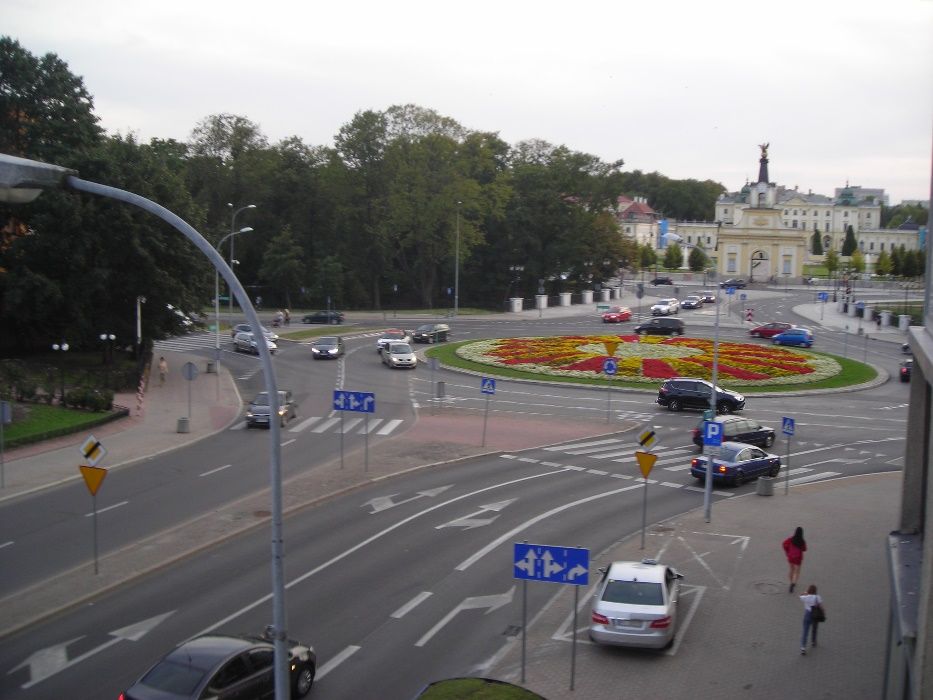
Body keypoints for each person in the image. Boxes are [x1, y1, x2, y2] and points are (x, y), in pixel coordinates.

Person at [799, 584, 824, 654]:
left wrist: (804, 592)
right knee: (814, 628)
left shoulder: (806, 597)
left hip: (807, 614)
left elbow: (800, 596)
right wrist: (823, 612)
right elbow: (820, 606)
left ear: (809, 590)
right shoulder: (817, 597)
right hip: (815, 614)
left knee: (805, 631)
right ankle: (813, 641)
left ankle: (803, 647)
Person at [782, 526, 807, 593]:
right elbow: (804, 549)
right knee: (797, 571)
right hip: (798, 558)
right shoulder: (802, 541)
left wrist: (787, 551)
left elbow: (784, 544)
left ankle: (791, 582)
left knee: (791, 570)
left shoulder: (791, 539)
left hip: (791, 557)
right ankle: (794, 583)